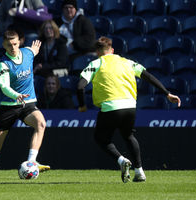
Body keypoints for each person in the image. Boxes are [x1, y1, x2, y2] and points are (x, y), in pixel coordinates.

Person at [77, 36, 181, 183]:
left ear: (98, 52)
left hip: (110, 107)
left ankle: (121, 161)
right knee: (128, 136)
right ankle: (140, 172)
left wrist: (82, 105)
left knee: (101, 139)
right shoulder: (127, 62)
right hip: (130, 107)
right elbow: (148, 76)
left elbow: (80, 86)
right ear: (112, 50)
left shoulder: (96, 63)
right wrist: (167, 93)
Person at [0, 29, 50, 179]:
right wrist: (17, 95)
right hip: (9, 106)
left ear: (19, 42)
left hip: (27, 103)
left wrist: (35, 50)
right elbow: (4, 87)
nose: (13, 47)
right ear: (4, 45)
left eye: (15, 44)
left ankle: (31, 162)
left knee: (41, 124)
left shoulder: (28, 52)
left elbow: (33, 51)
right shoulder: (3, 64)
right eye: (9, 45)